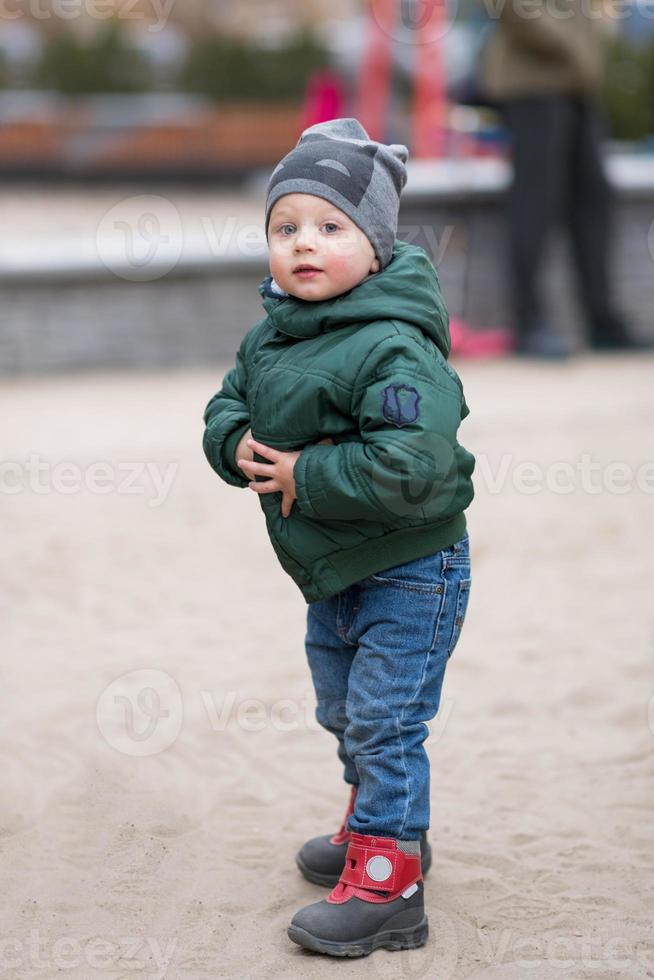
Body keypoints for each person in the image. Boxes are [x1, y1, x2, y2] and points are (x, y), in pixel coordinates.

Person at [202, 118, 475, 957]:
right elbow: (230, 400)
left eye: (330, 227)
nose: (303, 245)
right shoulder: (275, 333)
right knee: (345, 711)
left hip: (411, 568)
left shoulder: (394, 344)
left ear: (378, 246)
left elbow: (421, 463)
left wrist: (305, 478)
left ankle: (390, 887)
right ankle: (381, 827)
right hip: (335, 569)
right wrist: (231, 443)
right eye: (286, 229)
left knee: (386, 722)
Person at [479, 0, 646, 356]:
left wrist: (592, 42)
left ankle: (601, 320)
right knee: (534, 204)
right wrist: (571, 46)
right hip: (533, 86)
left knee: (594, 202)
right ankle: (529, 323)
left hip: (579, 86)